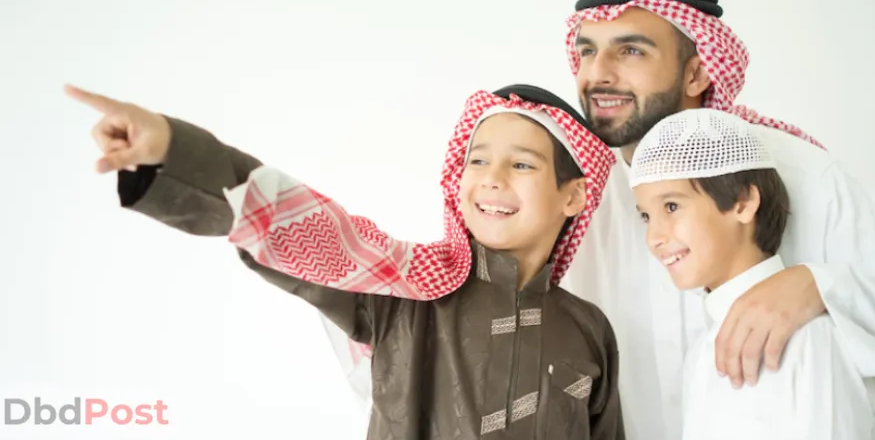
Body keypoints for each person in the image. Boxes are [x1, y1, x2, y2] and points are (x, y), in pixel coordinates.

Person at [554, 0, 875, 439]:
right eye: (587, 52)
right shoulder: (577, 202)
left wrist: (820, 288)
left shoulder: (802, 174)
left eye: (631, 50)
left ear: (698, 70)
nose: (597, 73)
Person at [67, 82, 626, 440]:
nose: (491, 179)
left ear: (573, 196)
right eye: (477, 160)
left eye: (522, 165)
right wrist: (174, 149)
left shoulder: (588, 330)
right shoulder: (407, 292)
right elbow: (309, 230)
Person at [630, 107, 875, 440]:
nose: (654, 238)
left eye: (672, 207)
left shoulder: (810, 340)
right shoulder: (701, 354)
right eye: (646, 216)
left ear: (743, 202)